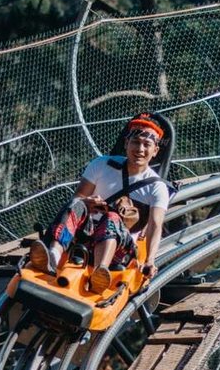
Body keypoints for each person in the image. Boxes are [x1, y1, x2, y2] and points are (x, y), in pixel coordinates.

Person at [29, 113, 171, 293]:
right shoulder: (102, 165)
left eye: (147, 145)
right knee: (76, 204)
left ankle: (99, 273)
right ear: (126, 144)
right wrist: (86, 203)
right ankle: (52, 257)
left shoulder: (157, 187)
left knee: (111, 217)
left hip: (119, 249)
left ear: (155, 151)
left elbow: (155, 226)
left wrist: (150, 260)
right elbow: (78, 197)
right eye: (135, 142)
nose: (140, 149)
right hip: (84, 235)